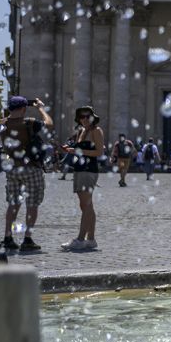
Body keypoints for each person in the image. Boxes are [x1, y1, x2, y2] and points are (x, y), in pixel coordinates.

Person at [0, 95, 54, 253]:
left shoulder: (2, 124)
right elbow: (49, 124)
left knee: (13, 204)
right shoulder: (29, 122)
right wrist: (40, 108)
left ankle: (8, 237)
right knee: (32, 204)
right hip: (31, 167)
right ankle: (27, 239)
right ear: (23, 108)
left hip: (13, 169)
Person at [61, 105, 105, 251]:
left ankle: (80, 239)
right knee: (86, 205)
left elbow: (99, 152)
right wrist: (71, 149)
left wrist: (79, 150)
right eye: (82, 116)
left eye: (88, 116)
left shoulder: (96, 131)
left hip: (88, 170)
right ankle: (91, 239)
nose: (85, 119)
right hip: (79, 169)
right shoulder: (81, 131)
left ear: (93, 117)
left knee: (86, 205)